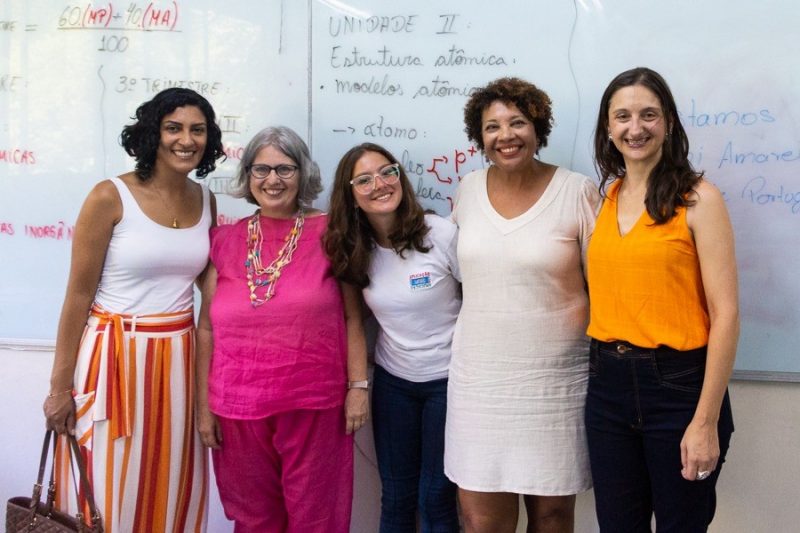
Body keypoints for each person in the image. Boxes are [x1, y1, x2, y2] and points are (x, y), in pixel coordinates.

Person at [42, 87, 225, 532]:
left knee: (172, 483)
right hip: (113, 360)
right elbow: (77, 296)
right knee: (104, 487)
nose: (187, 139)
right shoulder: (109, 196)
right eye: (174, 128)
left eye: (197, 130)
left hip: (180, 362)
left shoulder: (206, 200)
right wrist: (59, 388)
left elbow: (209, 281)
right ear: (152, 134)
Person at [585, 67, 737, 532]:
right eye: (623, 116)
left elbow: (726, 313)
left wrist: (705, 421)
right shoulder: (606, 198)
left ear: (668, 122)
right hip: (607, 386)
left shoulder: (699, 199)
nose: (636, 128)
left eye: (648, 115)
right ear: (608, 129)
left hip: (677, 387)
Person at [195, 126, 368, 533]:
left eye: (285, 169)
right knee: (254, 519)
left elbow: (353, 318)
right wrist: (205, 408)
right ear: (248, 175)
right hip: (236, 407)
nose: (273, 180)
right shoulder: (223, 240)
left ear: (303, 173)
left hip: (314, 403)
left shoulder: (332, 233)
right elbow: (206, 329)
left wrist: (358, 388)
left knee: (316, 517)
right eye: (262, 169)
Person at [446, 77, 600, 533]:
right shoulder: (468, 190)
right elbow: (461, 278)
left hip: (555, 386)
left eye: (517, 122)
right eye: (492, 127)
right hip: (480, 382)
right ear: (480, 137)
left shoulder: (577, 191)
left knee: (552, 517)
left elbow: (602, 284)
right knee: (479, 519)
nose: (505, 135)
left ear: (538, 128)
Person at [324, 142, 462, 533]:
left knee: (436, 496)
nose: (379, 185)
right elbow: (353, 319)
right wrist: (358, 385)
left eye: (387, 172)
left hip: (448, 383)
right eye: (364, 180)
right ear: (350, 196)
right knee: (397, 496)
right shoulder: (354, 250)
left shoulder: (440, 234)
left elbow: (478, 301)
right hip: (394, 384)